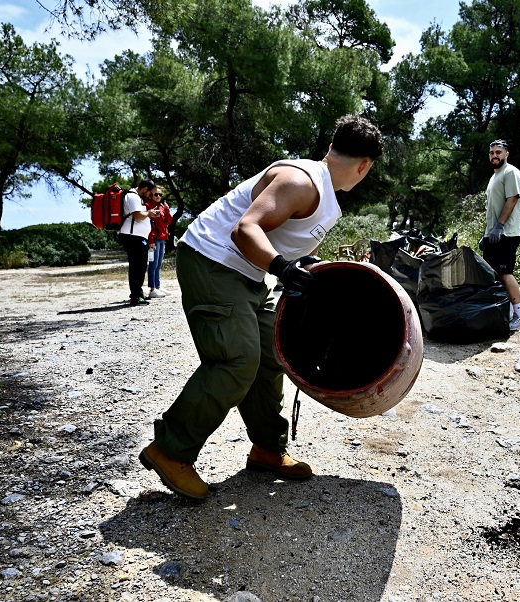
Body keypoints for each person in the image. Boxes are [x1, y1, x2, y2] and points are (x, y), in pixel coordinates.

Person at [139, 115, 384, 500]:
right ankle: (170, 450)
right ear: (365, 165)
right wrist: (282, 268)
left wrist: (303, 271)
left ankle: (268, 448)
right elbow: (246, 229)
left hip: (250, 275)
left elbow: (300, 250)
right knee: (235, 359)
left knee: (273, 353)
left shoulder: (328, 201)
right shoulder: (300, 180)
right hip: (212, 260)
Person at [481, 139, 520, 332]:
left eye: (498, 152)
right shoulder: (494, 177)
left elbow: (513, 198)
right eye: (492, 152)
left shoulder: (511, 172)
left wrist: (499, 226)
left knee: (504, 272)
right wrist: (486, 234)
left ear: (506, 154)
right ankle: (508, 313)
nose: (495, 155)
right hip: (493, 234)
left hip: (507, 232)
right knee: (494, 275)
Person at [118, 179, 161, 306]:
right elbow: (137, 216)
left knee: (141, 265)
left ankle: (138, 294)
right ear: (144, 189)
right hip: (132, 237)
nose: (150, 196)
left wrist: (148, 214)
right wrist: (149, 213)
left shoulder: (136, 197)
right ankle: (136, 296)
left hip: (137, 237)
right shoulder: (132, 197)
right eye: (150, 193)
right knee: (137, 266)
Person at [146, 186, 173, 298]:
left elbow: (169, 221)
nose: (158, 196)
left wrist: (167, 210)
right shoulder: (148, 206)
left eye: (160, 195)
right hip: (154, 239)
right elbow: (149, 226)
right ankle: (152, 289)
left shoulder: (161, 207)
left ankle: (157, 286)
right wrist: (151, 240)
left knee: (159, 264)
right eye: (156, 194)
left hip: (162, 239)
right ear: (151, 195)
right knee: (153, 264)